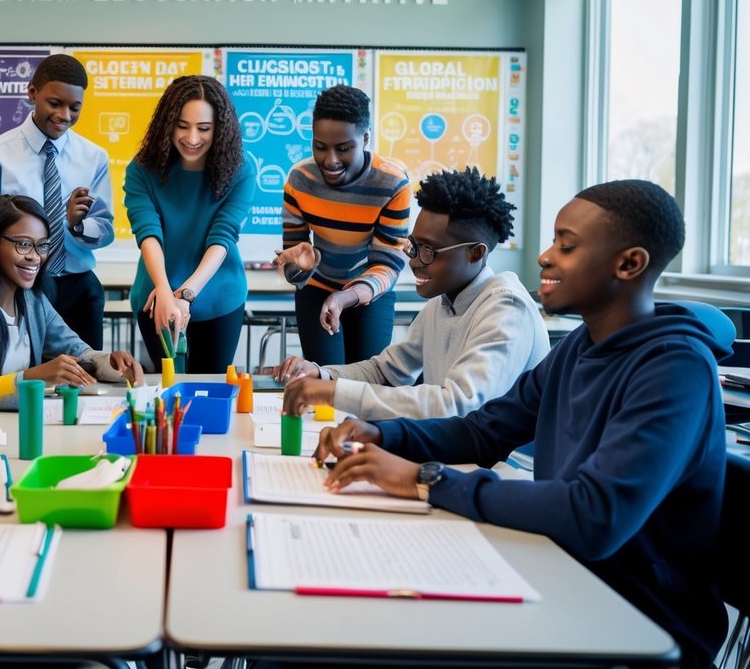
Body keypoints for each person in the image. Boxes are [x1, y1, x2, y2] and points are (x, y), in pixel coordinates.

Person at [312, 180, 728, 669]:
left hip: (632, 622)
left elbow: (595, 516)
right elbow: (481, 432)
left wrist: (425, 480)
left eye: (566, 246)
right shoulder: (579, 347)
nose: (545, 257)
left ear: (629, 264)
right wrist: (383, 434)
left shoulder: (674, 370)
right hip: (556, 574)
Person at [277, 167, 549, 419]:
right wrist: (322, 375)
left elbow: (457, 405)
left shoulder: (506, 309)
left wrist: (333, 393)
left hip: (501, 466)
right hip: (454, 452)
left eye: (429, 251)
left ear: (475, 253)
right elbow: (386, 371)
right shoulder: (443, 303)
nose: (414, 261)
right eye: (413, 246)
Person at [0, 194, 143, 410]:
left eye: (42, 245)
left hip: (1, 427)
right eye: (23, 244)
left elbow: (79, 352)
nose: (34, 256)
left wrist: (112, 363)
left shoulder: (32, 300)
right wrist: (35, 376)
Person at [0, 54, 113, 349]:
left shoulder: (93, 157)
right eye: (55, 103)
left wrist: (76, 226)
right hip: (20, 287)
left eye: (75, 107)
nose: (64, 115)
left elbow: (106, 230)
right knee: (30, 376)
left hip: (78, 286)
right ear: (32, 93)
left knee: (88, 374)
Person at [123, 75, 255, 373]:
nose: (192, 138)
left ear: (220, 129)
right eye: (182, 126)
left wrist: (185, 294)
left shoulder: (240, 170)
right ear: (166, 123)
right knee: (169, 391)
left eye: (204, 128)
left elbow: (222, 237)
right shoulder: (142, 170)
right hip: (156, 297)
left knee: (209, 389)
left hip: (218, 296)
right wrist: (164, 289)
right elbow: (148, 233)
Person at [272, 84, 410, 366]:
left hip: (371, 290)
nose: (330, 160)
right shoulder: (300, 180)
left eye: (344, 148)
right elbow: (294, 267)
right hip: (317, 288)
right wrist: (301, 267)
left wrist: (347, 296)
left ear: (366, 139)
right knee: (325, 379)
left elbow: (388, 264)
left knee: (367, 380)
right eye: (320, 147)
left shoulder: (392, 184)